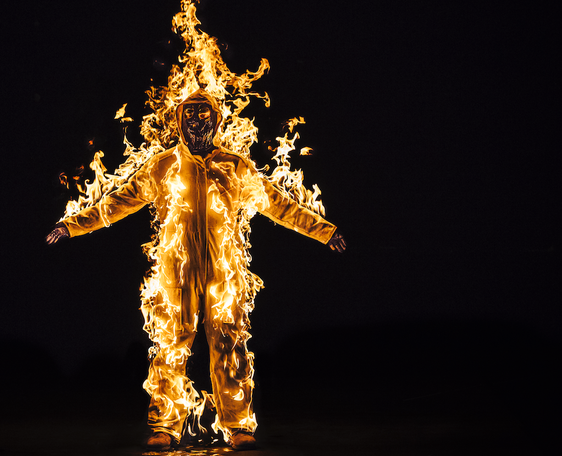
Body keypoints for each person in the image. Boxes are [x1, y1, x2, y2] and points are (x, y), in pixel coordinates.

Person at [46, 89, 346, 451]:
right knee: (169, 346)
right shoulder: (162, 166)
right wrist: (72, 225)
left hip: (225, 273)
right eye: (190, 114)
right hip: (176, 273)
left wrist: (324, 230)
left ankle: (238, 426)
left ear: (217, 121)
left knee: (230, 346)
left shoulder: (234, 167)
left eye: (204, 115)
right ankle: (165, 426)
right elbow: (117, 201)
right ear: (179, 121)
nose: (196, 121)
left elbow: (278, 204)